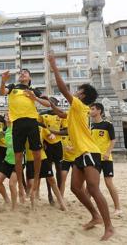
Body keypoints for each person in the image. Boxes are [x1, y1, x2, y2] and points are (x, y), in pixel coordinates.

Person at [48, 52, 114, 241]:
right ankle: (95, 216)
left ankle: (109, 227)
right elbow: (63, 118)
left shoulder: (81, 106)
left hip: (90, 151)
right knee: (76, 188)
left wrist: (54, 66)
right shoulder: (75, 111)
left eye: (77, 90)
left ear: (82, 95)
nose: (74, 92)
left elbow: (62, 89)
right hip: (79, 154)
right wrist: (45, 105)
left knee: (93, 189)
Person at [0, 68, 50, 206]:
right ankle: (21, 188)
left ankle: (34, 186)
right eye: (20, 73)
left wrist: (35, 98)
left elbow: (48, 103)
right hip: (17, 123)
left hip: (32, 122)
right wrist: (3, 80)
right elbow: (1, 92)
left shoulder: (34, 89)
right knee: (18, 157)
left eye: (25, 73)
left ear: (29, 77)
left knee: (37, 155)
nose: (22, 74)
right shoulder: (12, 87)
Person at [24, 127, 67, 211]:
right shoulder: (24, 129)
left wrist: (51, 135)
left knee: (52, 180)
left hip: (43, 158)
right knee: (33, 184)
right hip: (30, 160)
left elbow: (50, 135)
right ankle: (33, 207)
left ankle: (62, 204)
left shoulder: (41, 128)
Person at [90, 103, 122, 216]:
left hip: (106, 158)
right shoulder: (91, 126)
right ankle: (89, 206)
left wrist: (108, 152)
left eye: (92, 109)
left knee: (109, 183)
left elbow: (113, 140)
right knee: (92, 183)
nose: (90, 111)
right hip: (94, 158)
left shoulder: (108, 125)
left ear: (99, 111)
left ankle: (118, 208)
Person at [40, 102, 63, 205]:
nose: (50, 104)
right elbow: (40, 129)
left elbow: (66, 131)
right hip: (47, 145)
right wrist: (44, 141)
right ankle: (50, 194)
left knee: (59, 169)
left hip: (58, 144)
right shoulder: (43, 114)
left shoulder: (61, 115)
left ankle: (59, 194)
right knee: (48, 171)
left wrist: (53, 132)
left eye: (53, 102)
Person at [0, 114, 18, 210]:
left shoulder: (17, 128)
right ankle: (7, 199)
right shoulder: (5, 130)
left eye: (9, 115)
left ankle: (14, 207)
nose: (8, 117)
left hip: (18, 161)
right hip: (8, 160)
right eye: (6, 116)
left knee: (12, 184)